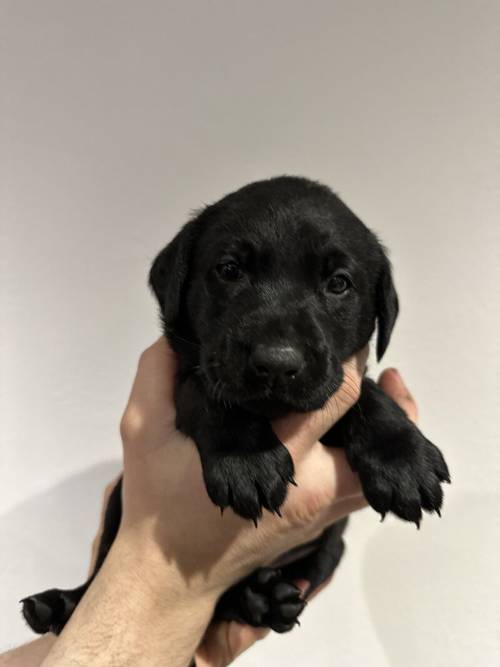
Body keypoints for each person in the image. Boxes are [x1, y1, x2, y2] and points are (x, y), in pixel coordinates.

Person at [0, 338, 417, 667]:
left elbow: (354, 400)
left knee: (330, 548)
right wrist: (157, 584)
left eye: (337, 283)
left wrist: (386, 431)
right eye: (232, 272)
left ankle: (237, 599)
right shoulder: (202, 378)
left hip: (286, 566)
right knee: (126, 493)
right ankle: (90, 596)